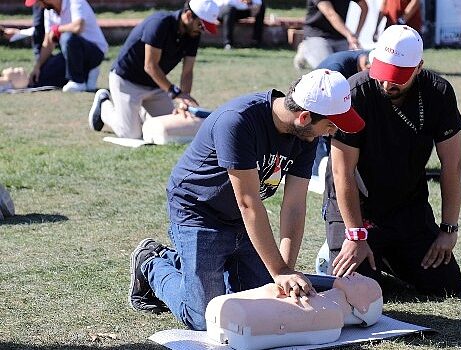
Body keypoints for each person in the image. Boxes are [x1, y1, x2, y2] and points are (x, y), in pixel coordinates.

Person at [128, 69, 365, 331]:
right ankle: (152, 262)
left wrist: (285, 270)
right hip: (198, 211)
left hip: (240, 220)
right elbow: (248, 202)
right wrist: (279, 272)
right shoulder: (238, 121)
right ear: (304, 116)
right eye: (330, 124)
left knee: (258, 303)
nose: (332, 132)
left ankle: (195, 263)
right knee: (204, 318)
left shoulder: (306, 135)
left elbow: (295, 205)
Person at [323, 25, 461, 297]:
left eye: (398, 77)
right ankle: (339, 248)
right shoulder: (355, 93)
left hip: (407, 207)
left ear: (419, 67)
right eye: (383, 73)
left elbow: (452, 165)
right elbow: (342, 173)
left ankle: (387, 256)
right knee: (359, 290)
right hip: (357, 210)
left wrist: (448, 229)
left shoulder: (439, 93)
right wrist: (355, 234)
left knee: (445, 285)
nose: (388, 84)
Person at [87, 0, 219, 140]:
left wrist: (183, 102)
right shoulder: (159, 23)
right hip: (127, 81)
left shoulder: (193, 33)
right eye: (201, 25)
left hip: (155, 85)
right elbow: (150, 66)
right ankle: (104, 106)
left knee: (173, 125)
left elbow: (187, 72)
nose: (201, 30)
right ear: (188, 15)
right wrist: (176, 93)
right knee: (131, 134)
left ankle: (138, 112)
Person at [206, 273, 382, 349]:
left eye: (365, 283)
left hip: (245, 320)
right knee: (270, 290)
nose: (357, 275)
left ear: (364, 308)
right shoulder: (326, 305)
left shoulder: (332, 315)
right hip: (234, 314)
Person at [310, 49, 371, 192]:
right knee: (322, 131)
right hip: (320, 107)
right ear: (367, 67)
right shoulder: (335, 69)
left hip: (338, 105)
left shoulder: (367, 56)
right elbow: (324, 106)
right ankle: (316, 172)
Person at [26, 0, 108, 92]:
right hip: (71, 55)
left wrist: (58, 29)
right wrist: (37, 67)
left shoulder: (75, 1)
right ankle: (86, 74)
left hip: (95, 52)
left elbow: (78, 27)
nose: (38, 6)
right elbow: (48, 43)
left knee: (67, 37)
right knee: (42, 78)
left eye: (38, 2)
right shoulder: (48, 12)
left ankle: (78, 81)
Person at [293, 0, 369, 70]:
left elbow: (364, 7)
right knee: (329, 70)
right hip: (317, 36)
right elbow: (330, 14)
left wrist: (357, 34)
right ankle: (305, 47)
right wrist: (350, 36)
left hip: (340, 37)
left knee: (358, 64)